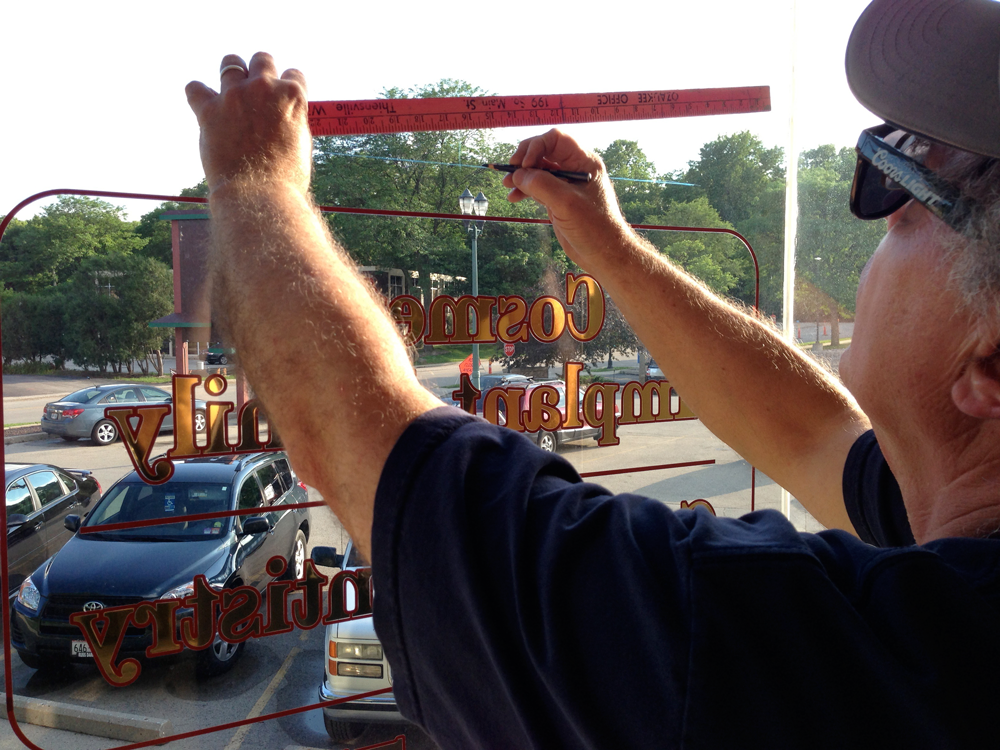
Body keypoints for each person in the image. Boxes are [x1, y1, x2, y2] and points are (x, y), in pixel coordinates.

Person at [185, 0, 1000, 745]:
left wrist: (254, 182)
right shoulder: (949, 562)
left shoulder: (816, 650)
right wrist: (602, 240)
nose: (887, 206)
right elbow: (811, 431)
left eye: (913, 183)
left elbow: (380, 461)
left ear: (990, 365)